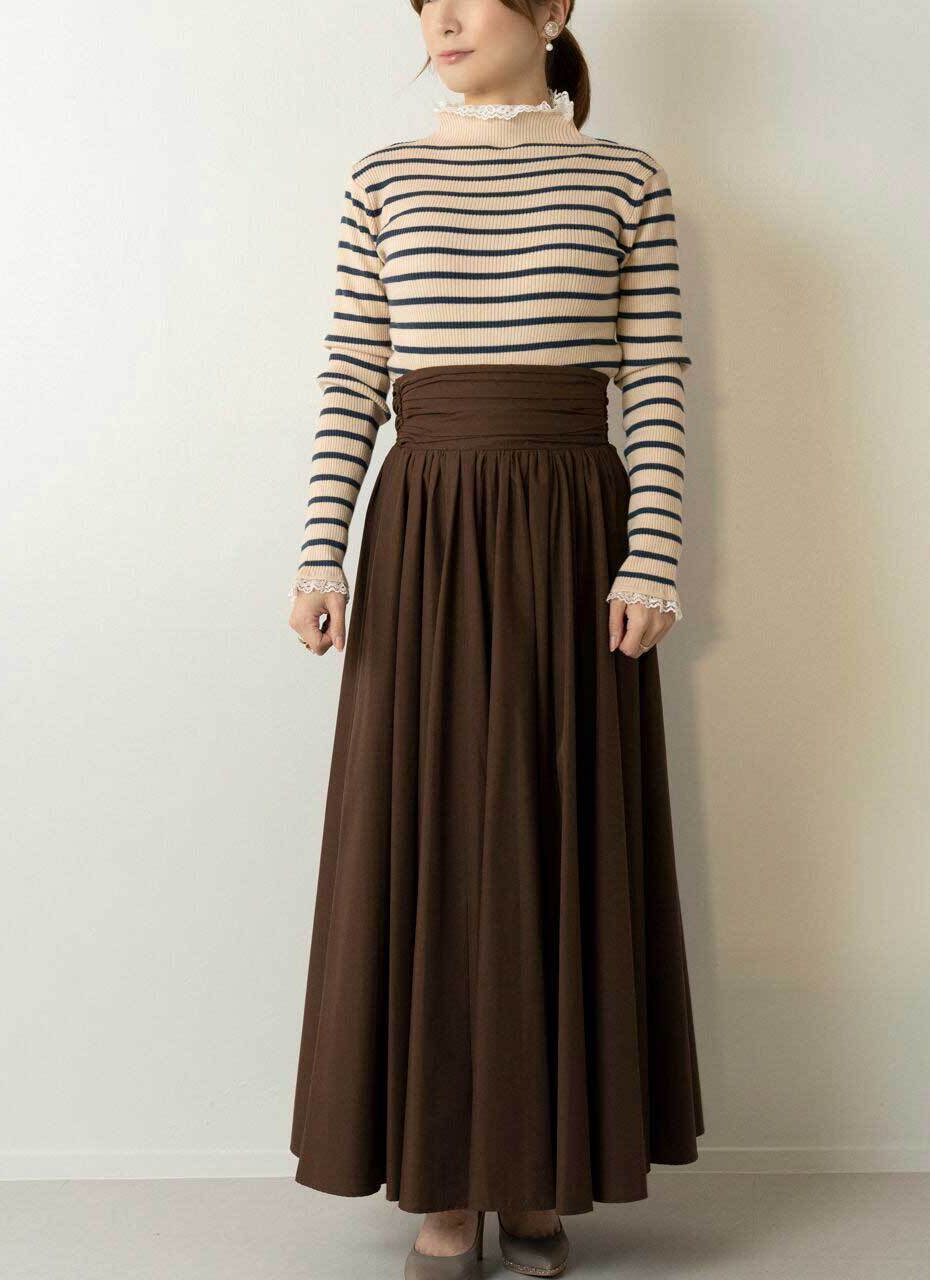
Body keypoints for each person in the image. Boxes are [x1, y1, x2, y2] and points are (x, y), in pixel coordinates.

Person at [286, 2, 704, 1274]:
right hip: (423, 531)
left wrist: (651, 552)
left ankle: (534, 1176)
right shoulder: (383, 176)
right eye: (424, 2)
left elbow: (657, 377)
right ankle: (442, 1179)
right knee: (429, 833)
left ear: (552, 9)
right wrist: (319, 548)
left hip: (574, 530)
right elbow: (353, 371)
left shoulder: (624, 176)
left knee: (552, 830)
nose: (443, 20)